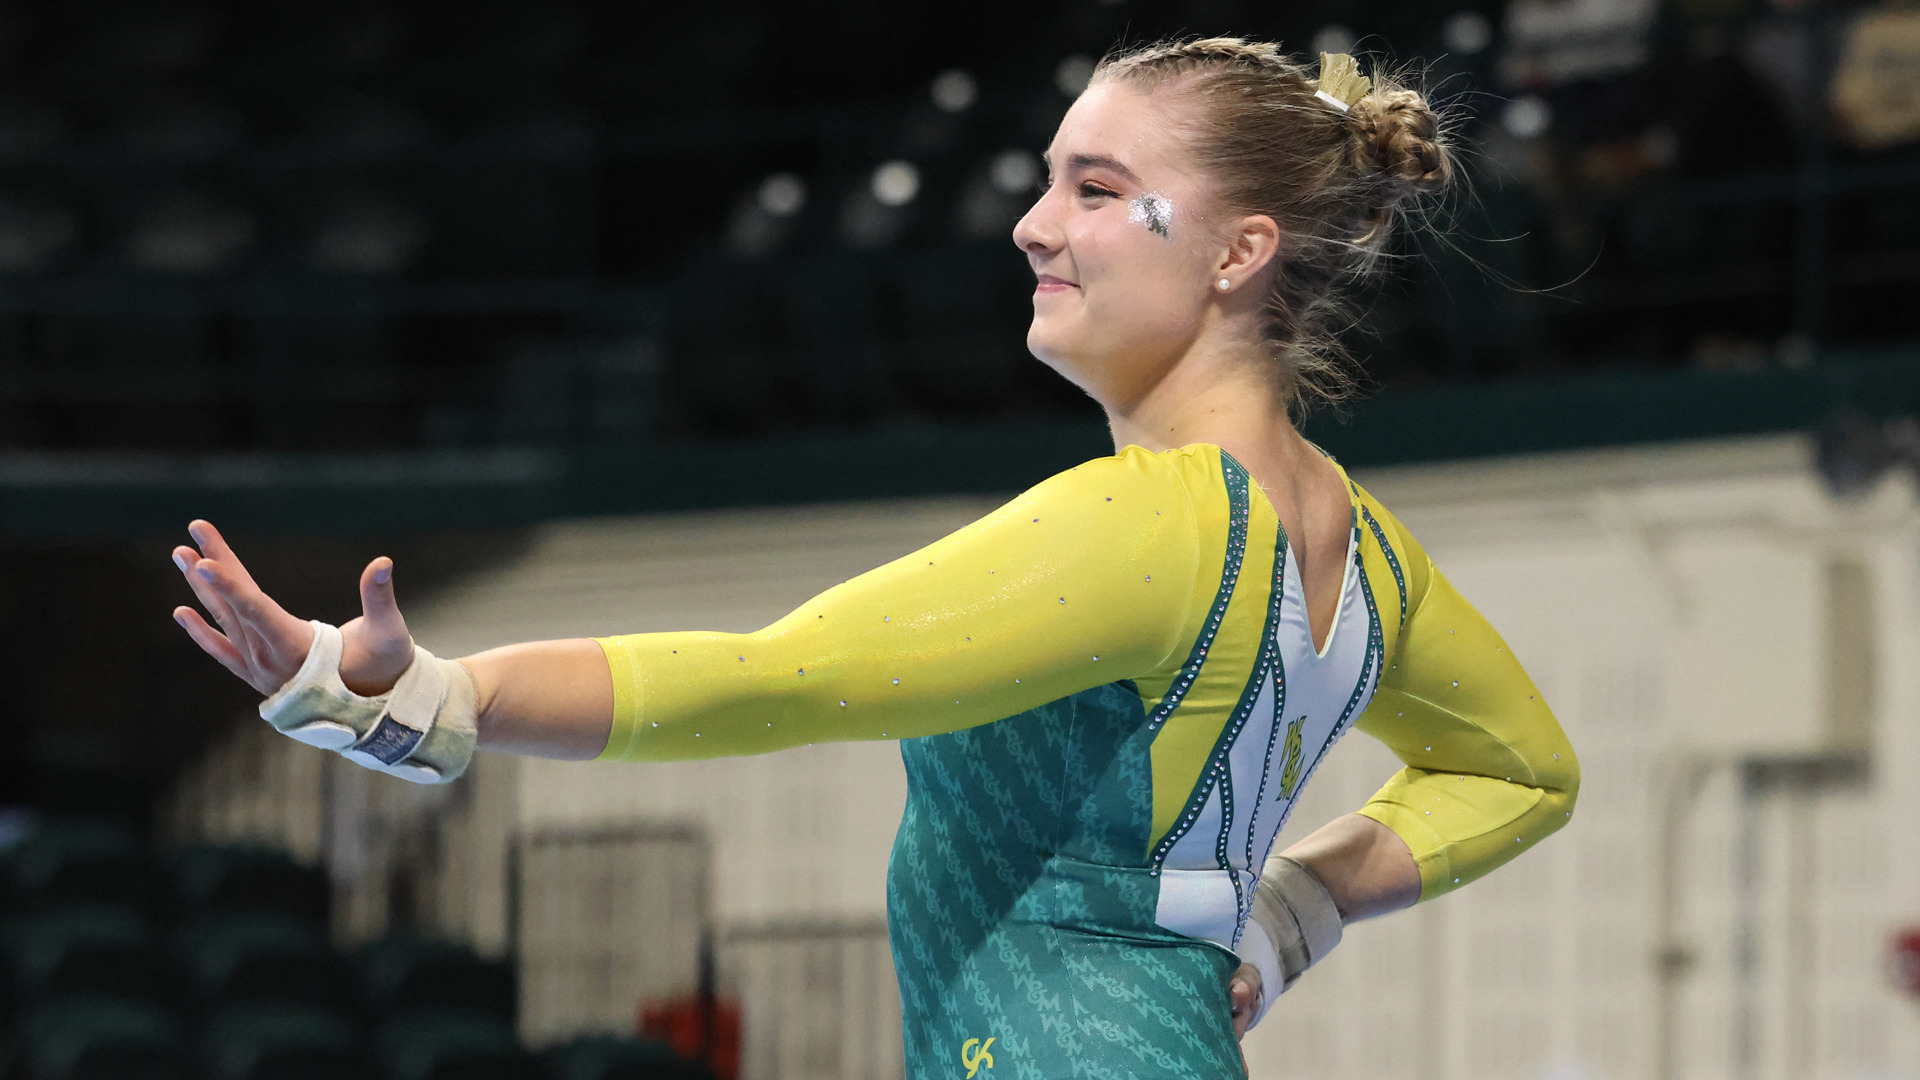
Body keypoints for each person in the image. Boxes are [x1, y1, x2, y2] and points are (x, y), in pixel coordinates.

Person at [170, 38, 1578, 1080]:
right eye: (1046, 181)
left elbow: (771, 680)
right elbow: (1522, 772)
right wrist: (1285, 918)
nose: (1034, 224)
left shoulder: (1145, 527)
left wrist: (409, 700)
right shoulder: (1365, 551)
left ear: (1237, 252)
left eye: (1096, 189)